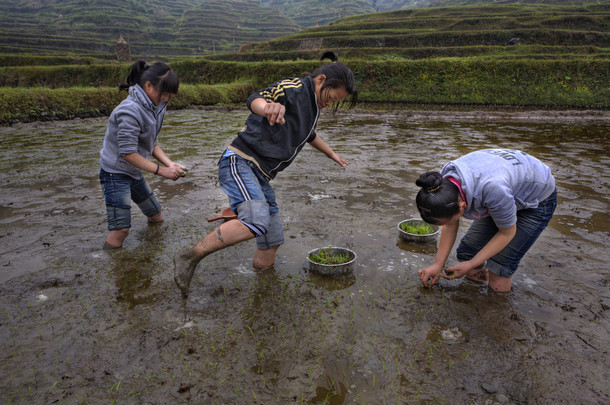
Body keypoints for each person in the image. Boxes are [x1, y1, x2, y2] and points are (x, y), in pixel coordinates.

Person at [173, 51, 358, 298]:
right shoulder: (295, 87)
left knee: (272, 238)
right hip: (240, 161)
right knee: (256, 221)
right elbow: (256, 98)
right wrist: (266, 107)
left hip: (260, 175)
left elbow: (309, 134)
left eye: (335, 102)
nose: (330, 103)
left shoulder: (313, 107)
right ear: (321, 80)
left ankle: (264, 290)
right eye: (332, 97)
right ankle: (190, 256)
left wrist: (331, 154)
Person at [415, 149, 557, 292]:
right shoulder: (440, 185)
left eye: (447, 221)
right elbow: (451, 224)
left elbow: (506, 233)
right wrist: (438, 265)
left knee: (500, 266)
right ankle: (477, 294)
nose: (446, 224)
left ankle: (497, 308)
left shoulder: (493, 188)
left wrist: (470, 265)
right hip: (506, 188)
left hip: (537, 199)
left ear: (462, 205)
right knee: (468, 252)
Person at [99, 61, 186, 249]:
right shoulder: (129, 110)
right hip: (115, 173)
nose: (167, 98)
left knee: (156, 215)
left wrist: (170, 164)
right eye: (165, 92)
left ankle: (151, 249)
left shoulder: (156, 107)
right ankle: (114, 266)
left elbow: (152, 142)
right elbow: (128, 153)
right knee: (120, 230)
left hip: (135, 172)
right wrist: (161, 171)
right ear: (148, 86)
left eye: (169, 94)